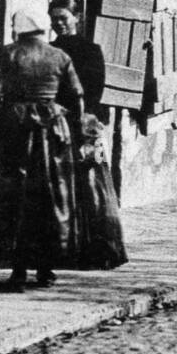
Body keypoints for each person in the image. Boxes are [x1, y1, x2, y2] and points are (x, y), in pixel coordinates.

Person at [0, 10, 83, 289]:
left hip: (12, 135)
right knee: (49, 200)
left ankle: (18, 270)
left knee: (14, 201)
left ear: (17, 29)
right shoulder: (59, 56)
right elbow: (77, 97)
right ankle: (46, 269)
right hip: (52, 136)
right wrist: (77, 137)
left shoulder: (6, 54)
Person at [75, 111, 128, 270]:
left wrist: (82, 158)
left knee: (98, 212)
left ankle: (103, 255)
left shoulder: (95, 132)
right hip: (88, 178)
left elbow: (97, 158)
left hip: (95, 180)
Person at [49, 0, 106, 116]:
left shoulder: (91, 50)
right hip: (51, 114)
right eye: (54, 19)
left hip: (79, 114)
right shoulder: (48, 49)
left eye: (63, 18)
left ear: (77, 17)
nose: (58, 23)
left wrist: (83, 115)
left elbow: (95, 90)